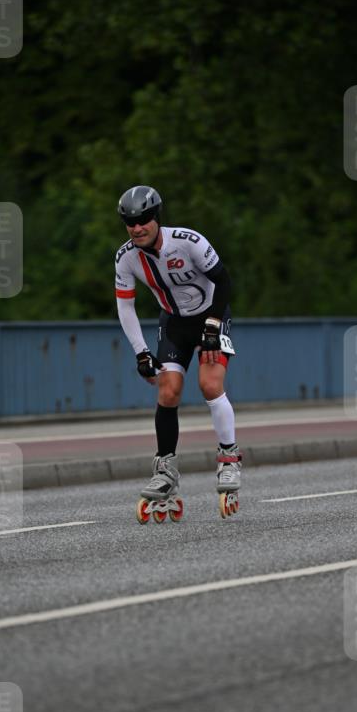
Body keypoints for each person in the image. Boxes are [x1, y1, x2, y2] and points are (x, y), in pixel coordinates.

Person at [114, 184, 241, 512]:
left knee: (210, 384)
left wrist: (213, 326)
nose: (137, 227)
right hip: (174, 323)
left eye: (144, 219)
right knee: (168, 392)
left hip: (211, 315)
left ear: (156, 217)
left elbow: (224, 281)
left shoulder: (189, 242)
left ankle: (228, 458)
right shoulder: (126, 258)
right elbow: (125, 308)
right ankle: (165, 468)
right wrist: (141, 351)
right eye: (130, 222)